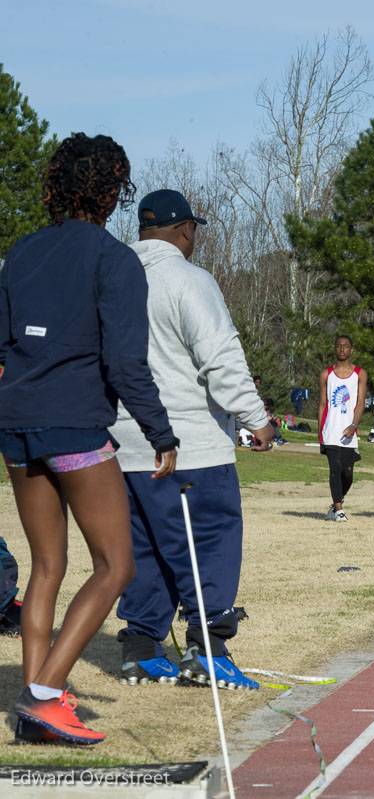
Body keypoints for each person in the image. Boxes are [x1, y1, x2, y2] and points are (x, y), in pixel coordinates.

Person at [0, 133, 179, 745]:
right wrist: (161, 432)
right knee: (116, 565)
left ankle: (33, 715)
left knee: (46, 567)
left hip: (16, 425)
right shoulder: (114, 259)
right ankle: (46, 696)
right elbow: (127, 365)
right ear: (113, 192)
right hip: (75, 426)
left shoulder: (20, 254)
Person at [111, 188, 273, 691]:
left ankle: (141, 648)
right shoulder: (189, 279)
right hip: (189, 444)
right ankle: (208, 650)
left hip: (121, 442)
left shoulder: (110, 277)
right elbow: (220, 356)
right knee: (209, 541)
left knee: (145, 546)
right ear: (185, 230)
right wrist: (255, 416)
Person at [318, 336, 366, 522]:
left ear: (351, 350)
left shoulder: (360, 374)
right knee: (334, 469)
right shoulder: (326, 374)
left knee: (347, 473)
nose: (342, 349)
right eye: (338, 346)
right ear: (335, 348)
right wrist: (320, 432)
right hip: (330, 430)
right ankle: (338, 509)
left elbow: (361, 403)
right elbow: (323, 404)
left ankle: (335, 504)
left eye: (346, 346)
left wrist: (354, 425)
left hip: (349, 431)